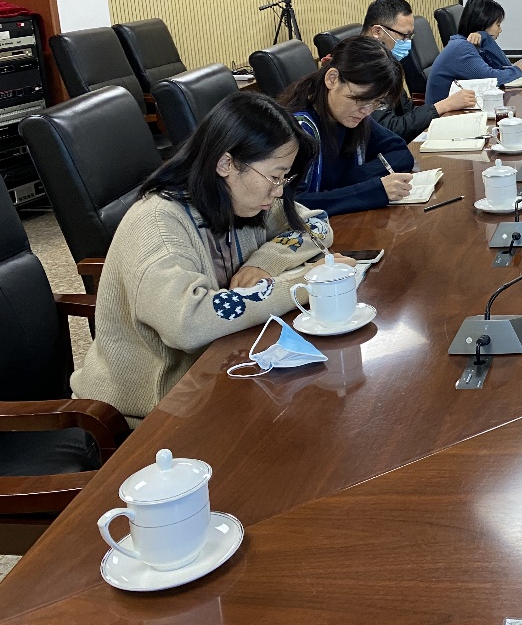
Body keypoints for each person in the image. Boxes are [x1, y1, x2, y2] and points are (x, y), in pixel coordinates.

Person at [71, 91, 344, 422]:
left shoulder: (241, 199)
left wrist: (265, 262)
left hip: (213, 375)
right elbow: (188, 323)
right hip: (146, 412)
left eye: (283, 178)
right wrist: (306, 283)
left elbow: (316, 226)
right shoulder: (158, 222)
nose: (278, 192)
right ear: (226, 163)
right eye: (274, 176)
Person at [282, 36, 417, 216]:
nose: (367, 111)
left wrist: (351, 181)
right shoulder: (298, 129)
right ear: (332, 79)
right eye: (359, 99)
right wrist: (372, 190)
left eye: (376, 102)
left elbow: (400, 153)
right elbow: (293, 203)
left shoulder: (351, 115)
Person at [360, 0, 477, 141]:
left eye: (410, 36)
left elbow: (406, 110)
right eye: (404, 36)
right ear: (377, 32)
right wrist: (443, 106)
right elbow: (388, 130)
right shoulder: (362, 67)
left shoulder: (385, 60)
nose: (408, 43)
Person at [424, 0, 522, 105]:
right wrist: (516, 71)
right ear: (484, 22)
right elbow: (491, 78)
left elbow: (503, 66)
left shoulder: (472, 44)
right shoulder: (461, 48)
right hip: (443, 113)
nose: (500, 30)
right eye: (498, 24)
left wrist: (485, 38)